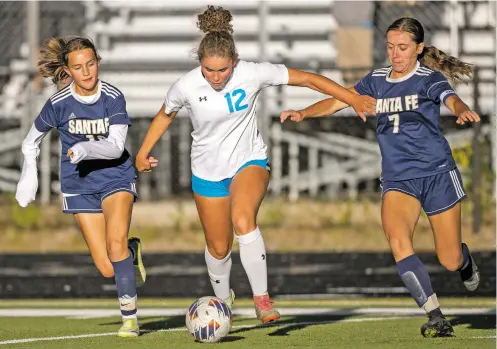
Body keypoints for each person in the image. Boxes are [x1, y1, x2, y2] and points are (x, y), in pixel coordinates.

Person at [135, 5, 375, 324]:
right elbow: (164, 115)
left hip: (249, 162)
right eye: (209, 70)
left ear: (234, 62)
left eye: (223, 70)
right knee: (218, 249)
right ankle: (223, 302)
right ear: (200, 64)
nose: (216, 77)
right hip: (207, 173)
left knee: (243, 218)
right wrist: (143, 152)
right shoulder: (185, 85)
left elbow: (307, 79)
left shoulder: (252, 72)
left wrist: (351, 97)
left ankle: (262, 299)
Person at [280, 17, 480, 337]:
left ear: (418, 49)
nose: (395, 54)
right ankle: (435, 315)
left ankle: (464, 259)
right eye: (390, 47)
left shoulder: (428, 79)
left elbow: (450, 99)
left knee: (450, 259)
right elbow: (338, 100)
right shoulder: (376, 79)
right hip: (398, 179)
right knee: (398, 241)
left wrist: (460, 110)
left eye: (402, 47)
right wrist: (304, 113)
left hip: (437, 175)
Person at [15, 36, 146, 337]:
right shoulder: (58, 104)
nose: (86, 72)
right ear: (67, 70)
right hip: (78, 185)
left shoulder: (113, 97)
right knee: (107, 267)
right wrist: (28, 174)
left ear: (98, 61)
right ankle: (131, 251)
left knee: (114, 245)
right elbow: (30, 141)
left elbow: (115, 147)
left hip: (115, 176)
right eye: (78, 67)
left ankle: (130, 319)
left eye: (90, 64)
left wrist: (86, 150)